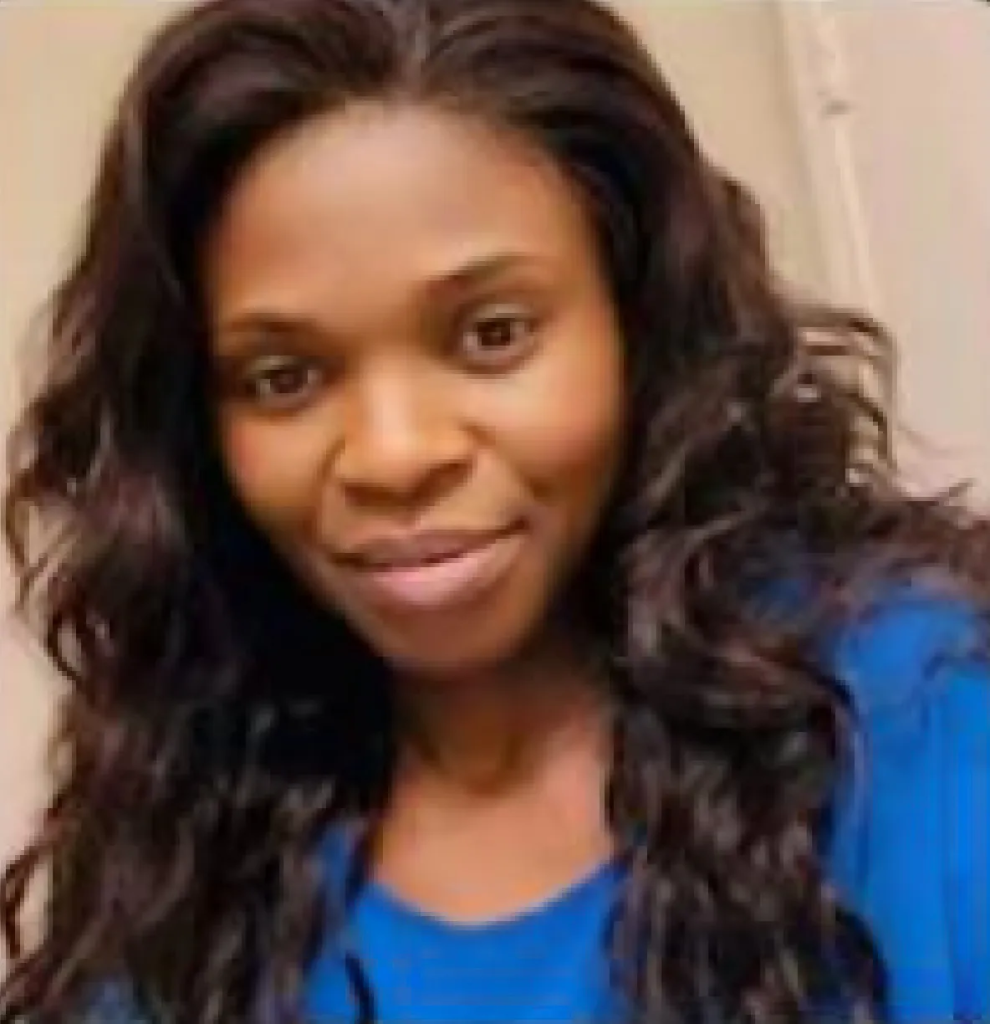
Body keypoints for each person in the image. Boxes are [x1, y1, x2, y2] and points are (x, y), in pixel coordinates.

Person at [1, 0, 987, 1021]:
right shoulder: (189, 856)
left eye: (492, 334)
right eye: (284, 378)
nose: (393, 455)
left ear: (636, 322)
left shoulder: (918, 722)